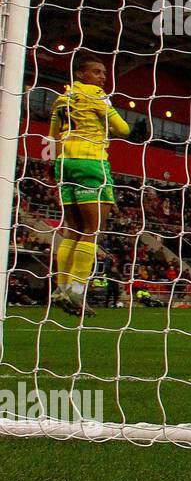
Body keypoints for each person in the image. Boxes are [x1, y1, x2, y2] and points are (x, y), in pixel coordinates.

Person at [46, 55, 132, 317]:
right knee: (92, 230)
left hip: (65, 164)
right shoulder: (96, 95)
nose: (102, 77)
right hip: (91, 163)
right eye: (96, 72)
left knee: (72, 229)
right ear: (81, 74)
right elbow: (124, 128)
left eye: (104, 73)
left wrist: (58, 168)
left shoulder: (61, 99)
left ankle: (61, 287)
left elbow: (53, 137)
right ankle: (76, 290)